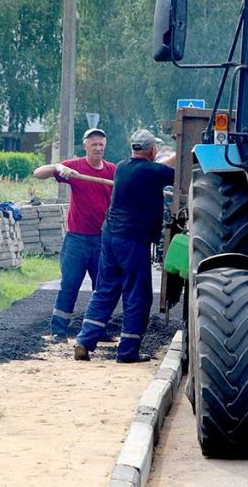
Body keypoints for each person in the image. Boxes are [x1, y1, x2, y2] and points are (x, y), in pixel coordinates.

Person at [75, 129, 177, 363]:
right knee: (137, 294)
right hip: (133, 240)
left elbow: (160, 166)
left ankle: (84, 341)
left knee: (105, 290)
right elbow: (172, 169)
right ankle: (128, 352)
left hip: (109, 236)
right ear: (152, 150)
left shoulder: (122, 167)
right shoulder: (153, 171)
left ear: (133, 148)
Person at [33, 128, 116, 340]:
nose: (98, 148)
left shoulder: (111, 170)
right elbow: (38, 173)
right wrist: (59, 167)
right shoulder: (75, 167)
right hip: (76, 239)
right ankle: (59, 330)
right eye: (94, 144)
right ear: (86, 146)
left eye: (101, 145)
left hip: (101, 240)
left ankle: (98, 329)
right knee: (69, 284)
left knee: (102, 288)